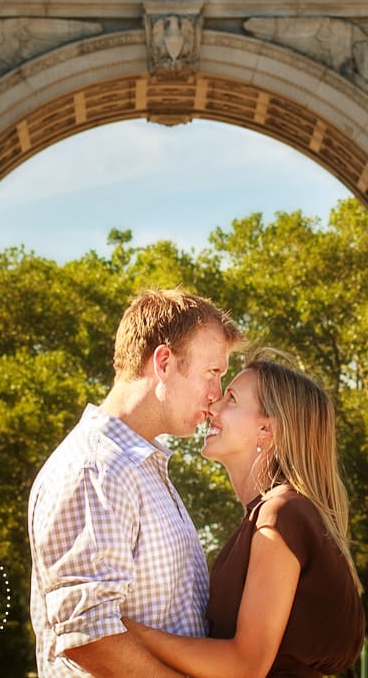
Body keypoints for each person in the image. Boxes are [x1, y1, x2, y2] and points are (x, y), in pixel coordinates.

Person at [28, 288, 243, 678]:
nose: (215, 396)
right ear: (163, 362)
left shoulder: (138, 468)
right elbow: (89, 638)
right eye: (213, 373)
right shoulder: (96, 470)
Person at [124, 354, 366, 678]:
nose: (213, 406)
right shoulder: (263, 519)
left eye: (232, 399)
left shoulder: (280, 516)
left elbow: (245, 666)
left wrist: (122, 630)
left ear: (266, 429)